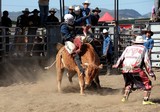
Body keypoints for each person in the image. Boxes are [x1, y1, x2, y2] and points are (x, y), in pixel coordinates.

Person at [113, 35, 156, 105]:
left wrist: (117, 65)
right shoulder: (144, 48)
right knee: (147, 83)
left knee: (129, 83)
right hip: (135, 68)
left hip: (125, 68)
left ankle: (124, 98)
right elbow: (146, 61)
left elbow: (121, 57)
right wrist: (151, 73)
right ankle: (145, 100)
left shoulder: (128, 48)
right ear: (142, 42)